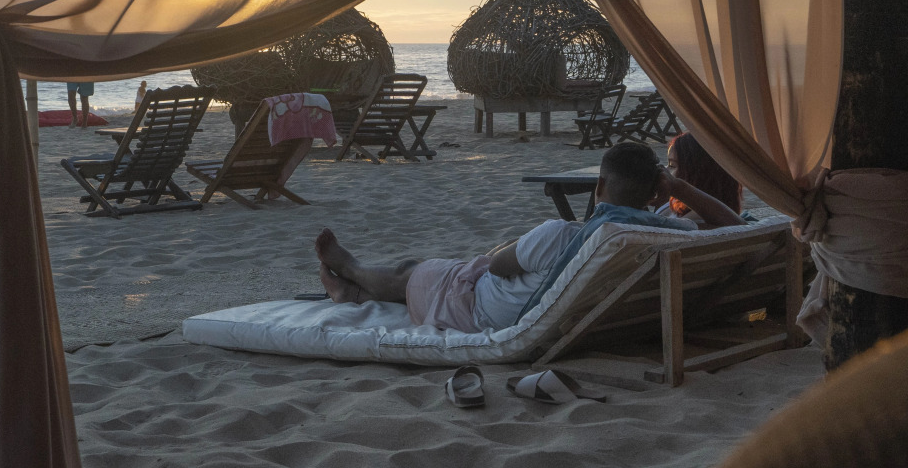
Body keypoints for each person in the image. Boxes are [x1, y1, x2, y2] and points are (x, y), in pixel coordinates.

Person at [315, 141, 747, 333]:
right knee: (438, 272)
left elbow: (497, 267)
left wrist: (507, 250)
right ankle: (353, 294)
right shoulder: (670, 233)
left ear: (600, 185)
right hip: (598, 315)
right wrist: (681, 189)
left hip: (480, 311)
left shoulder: (562, 235)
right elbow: (739, 228)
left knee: (411, 271)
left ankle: (351, 269)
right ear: (656, 192)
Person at [654, 131, 742, 222]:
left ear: (699, 173)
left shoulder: (698, 220)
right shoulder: (677, 203)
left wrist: (677, 188)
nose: (666, 170)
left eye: (672, 165)